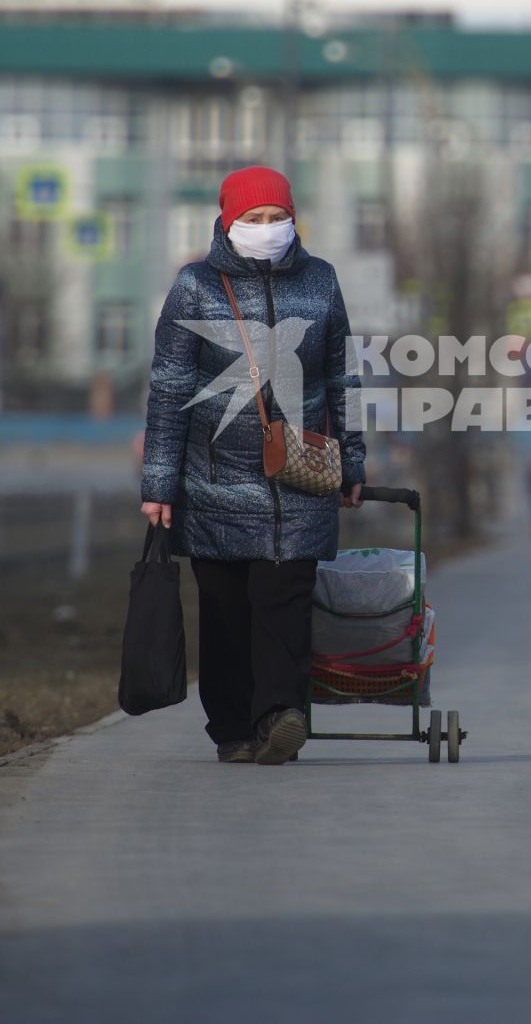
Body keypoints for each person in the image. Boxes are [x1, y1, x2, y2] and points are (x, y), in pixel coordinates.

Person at [139, 166, 366, 767]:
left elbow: (344, 378)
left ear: (294, 220)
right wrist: (159, 484)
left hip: (300, 478)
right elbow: (167, 390)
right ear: (229, 222)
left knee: (285, 599)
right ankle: (235, 727)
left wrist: (354, 460)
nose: (268, 230)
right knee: (224, 611)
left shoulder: (321, 282)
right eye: (255, 220)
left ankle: (281, 715)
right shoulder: (196, 286)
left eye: (278, 219)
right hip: (212, 484)